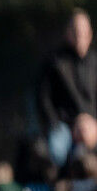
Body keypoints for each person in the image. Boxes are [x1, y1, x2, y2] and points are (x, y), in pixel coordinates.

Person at [36, 9, 96, 169]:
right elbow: (43, 98)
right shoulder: (54, 62)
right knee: (56, 152)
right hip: (64, 125)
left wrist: (90, 123)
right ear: (68, 33)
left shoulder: (95, 63)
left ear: (90, 34)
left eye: (83, 32)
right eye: (76, 31)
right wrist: (60, 123)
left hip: (92, 124)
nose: (79, 36)